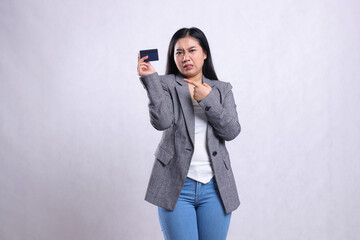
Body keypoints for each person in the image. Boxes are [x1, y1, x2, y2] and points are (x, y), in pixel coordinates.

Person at [137, 27, 241, 240]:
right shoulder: (165, 84)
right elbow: (162, 122)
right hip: (175, 184)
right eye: (179, 52)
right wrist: (150, 81)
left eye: (192, 50)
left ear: (204, 54)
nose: (186, 57)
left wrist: (207, 99)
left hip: (216, 188)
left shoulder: (222, 89)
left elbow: (231, 131)